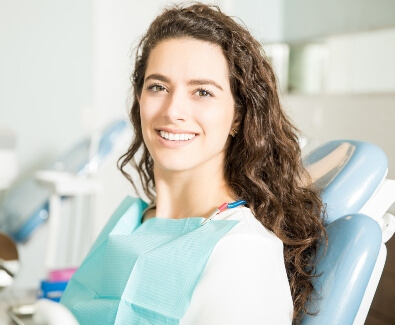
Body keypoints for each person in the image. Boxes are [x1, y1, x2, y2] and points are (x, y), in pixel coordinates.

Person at [61, 3, 326, 324]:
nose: (173, 111)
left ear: (238, 117)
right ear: (139, 100)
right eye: (158, 87)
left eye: (202, 92)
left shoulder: (241, 250)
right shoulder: (133, 220)